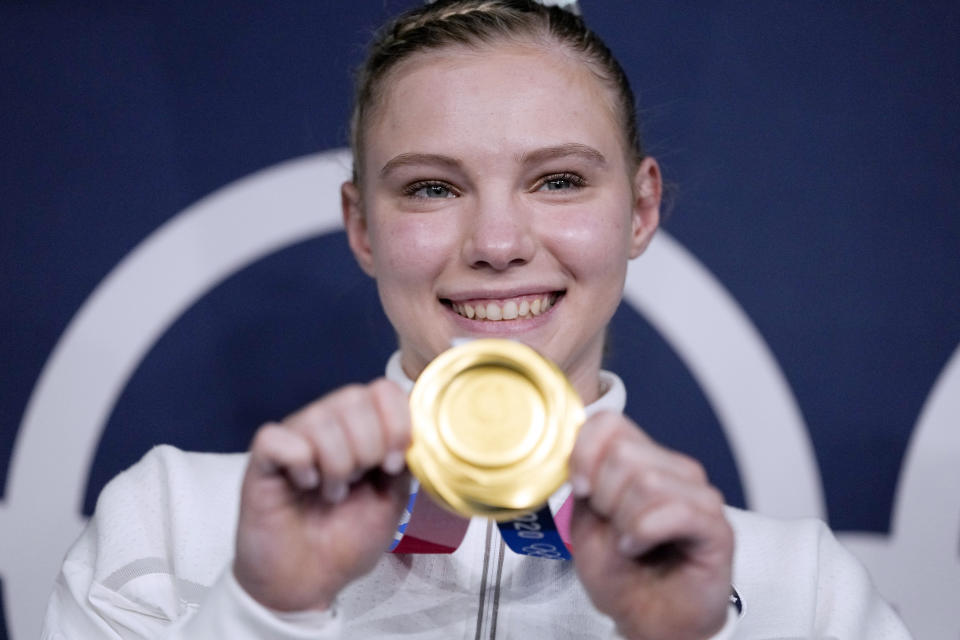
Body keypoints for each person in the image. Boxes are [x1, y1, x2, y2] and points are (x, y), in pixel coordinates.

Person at [42, 1, 911, 638]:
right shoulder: (169, 521)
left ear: (640, 210)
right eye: (432, 187)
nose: (497, 243)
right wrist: (265, 610)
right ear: (361, 226)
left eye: (559, 179)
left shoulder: (806, 590)